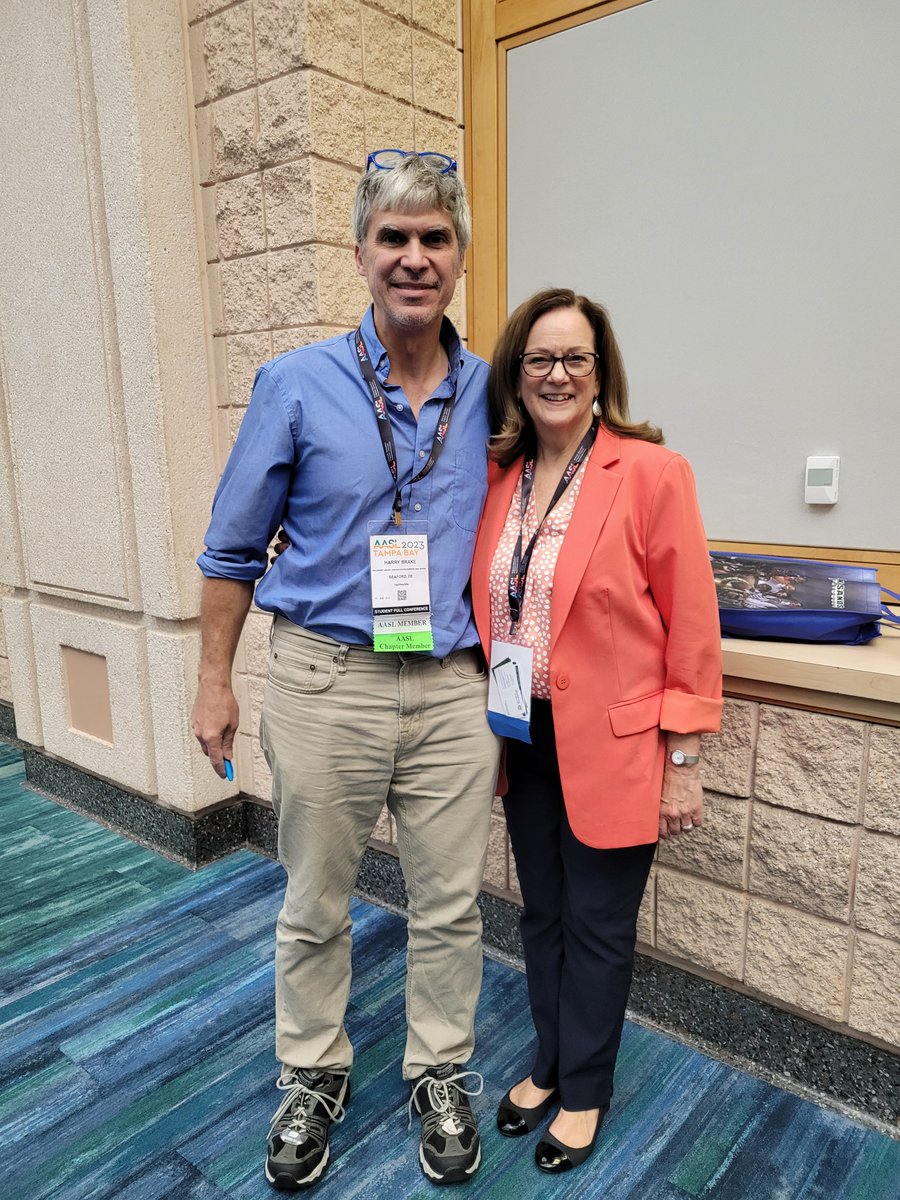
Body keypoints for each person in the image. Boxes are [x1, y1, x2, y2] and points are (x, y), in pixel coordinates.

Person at [191, 150, 500, 1191]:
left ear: (459, 255)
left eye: (435, 238)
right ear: (361, 253)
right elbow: (232, 550)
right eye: (393, 237)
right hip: (327, 681)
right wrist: (214, 680)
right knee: (316, 900)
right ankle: (313, 1072)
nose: (414, 257)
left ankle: (439, 1070)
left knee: (450, 905)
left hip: (452, 687)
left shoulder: (494, 394)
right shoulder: (296, 383)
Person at [470, 287, 722, 1174]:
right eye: (539, 359)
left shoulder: (651, 473)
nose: (557, 375)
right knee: (542, 913)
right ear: (516, 372)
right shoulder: (500, 478)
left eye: (575, 358)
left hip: (617, 747)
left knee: (599, 926)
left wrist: (683, 757)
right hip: (522, 734)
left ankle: (584, 1090)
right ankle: (548, 1061)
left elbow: (692, 628)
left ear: (600, 370)